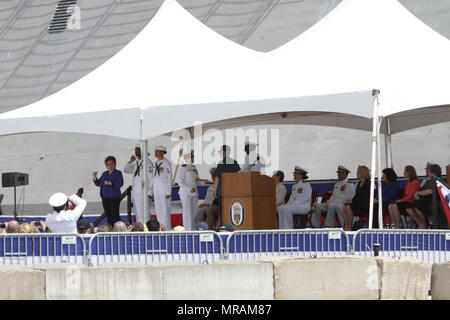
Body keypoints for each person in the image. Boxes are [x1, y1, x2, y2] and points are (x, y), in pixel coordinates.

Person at [123, 143, 154, 224]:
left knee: (144, 212)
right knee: (137, 212)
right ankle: (140, 228)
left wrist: (150, 192)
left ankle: (145, 228)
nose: (136, 152)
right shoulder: (135, 162)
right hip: (136, 191)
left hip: (144, 192)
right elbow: (126, 170)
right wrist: (130, 161)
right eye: (136, 150)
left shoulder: (148, 162)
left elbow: (151, 179)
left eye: (138, 150)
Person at [407, 163, 442, 229]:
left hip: (432, 201)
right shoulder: (427, 181)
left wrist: (418, 193)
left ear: (433, 173)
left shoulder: (438, 181)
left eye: (428, 171)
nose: (426, 173)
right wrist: (418, 195)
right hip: (424, 200)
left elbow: (432, 190)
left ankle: (423, 224)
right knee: (409, 206)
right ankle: (420, 223)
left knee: (418, 205)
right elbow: (421, 190)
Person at [93, 156, 124, 226]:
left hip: (114, 197)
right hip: (105, 197)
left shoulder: (118, 173)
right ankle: (111, 229)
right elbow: (99, 183)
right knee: (108, 214)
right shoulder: (105, 174)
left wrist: (110, 183)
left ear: (115, 164)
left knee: (115, 214)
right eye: (107, 164)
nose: (110, 166)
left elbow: (120, 183)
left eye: (111, 164)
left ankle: (119, 229)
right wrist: (95, 178)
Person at [214, 145, 241, 225]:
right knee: (232, 210)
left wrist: (215, 190)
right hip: (233, 191)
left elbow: (217, 178)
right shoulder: (235, 162)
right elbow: (239, 175)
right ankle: (233, 226)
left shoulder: (221, 163)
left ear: (222, 153)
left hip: (222, 192)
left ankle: (223, 227)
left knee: (223, 211)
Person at [343, 165, 371, 231]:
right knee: (344, 206)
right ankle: (346, 226)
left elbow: (366, 196)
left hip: (364, 203)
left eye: (358, 172)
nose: (356, 174)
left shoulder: (368, 183)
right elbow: (356, 195)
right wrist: (352, 201)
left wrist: (354, 202)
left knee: (349, 207)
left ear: (362, 173)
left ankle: (349, 226)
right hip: (357, 203)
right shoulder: (359, 183)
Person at [177, 151, 200, 231]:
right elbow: (180, 181)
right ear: (186, 158)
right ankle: (187, 229)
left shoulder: (194, 167)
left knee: (194, 212)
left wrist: (206, 181)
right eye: (191, 157)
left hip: (194, 193)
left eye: (193, 157)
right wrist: (189, 188)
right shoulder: (183, 167)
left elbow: (197, 179)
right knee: (187, 212)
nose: (193, 158)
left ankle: (193, 229)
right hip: (186, 193)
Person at [152, 146, 173, 230]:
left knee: (165, 210)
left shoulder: (166, 163)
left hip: (164, 189)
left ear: (162, 152)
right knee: (158, 209)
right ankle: (160, 227)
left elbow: (169, 177)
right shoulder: (155, 162)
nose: (155, 153)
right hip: (157, 189)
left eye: (157, 151)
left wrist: (168, 191)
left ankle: (166, 227)